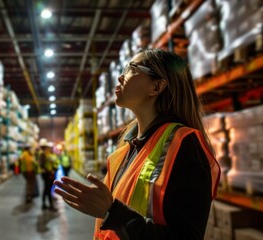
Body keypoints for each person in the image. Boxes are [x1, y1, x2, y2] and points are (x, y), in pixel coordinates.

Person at [54, 49, 221, 239]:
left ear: (157, 87)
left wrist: (112, 212)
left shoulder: (184, 145)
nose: (120, 77)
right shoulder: (124, 152)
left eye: (131, 68)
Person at [39, 139, 58, 211]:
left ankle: (45, 205)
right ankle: (50, 205)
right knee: (47, 189)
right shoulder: (42, 154)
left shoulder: (47, 154)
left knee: (47, 189)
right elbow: (42, 165)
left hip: (49, 173)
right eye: (47, 147)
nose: (48, 148)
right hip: (46, 174)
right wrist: (50, 172)